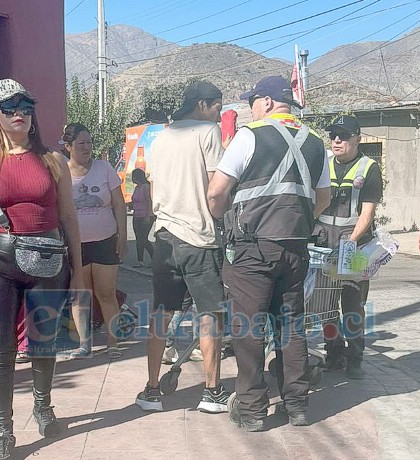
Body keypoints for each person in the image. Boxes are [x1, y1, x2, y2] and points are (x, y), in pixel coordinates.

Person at [0, 79, 83, 460]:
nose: (19, 114)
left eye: (26, 107)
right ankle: (3, 431)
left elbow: (68, 217)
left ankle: (43, 406)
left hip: (48, 258)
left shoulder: (52, 160)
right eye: (10, 108)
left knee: (46, 342)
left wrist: (78, 270)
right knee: (1, 348)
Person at [207, 75, 331, 431]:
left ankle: (252, 410)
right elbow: (322, 198)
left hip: (252, 249)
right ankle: (298, 406)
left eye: (251, 103)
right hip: (295, 249)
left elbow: (217, 192)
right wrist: (299, 221)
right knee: (291, 328)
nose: (250, 109)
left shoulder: (250, 135)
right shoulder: (316, 142)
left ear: (265, 102)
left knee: (249, 330)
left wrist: (223, 217)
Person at [135, 80, 230, 413]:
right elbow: (216, 189)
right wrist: (219, 218)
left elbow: (153, 184)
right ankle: (212, 392)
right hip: (198, 238)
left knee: (161, 312)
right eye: (217, 106)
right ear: (202, 105)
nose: (219, 114)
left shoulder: (160, 137)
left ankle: (150, 390)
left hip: (163, 236)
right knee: (210, 315)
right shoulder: (207, 133)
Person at [314, 114, 383, 380]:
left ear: (357, 139)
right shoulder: (324, 165)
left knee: (353, 304)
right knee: (325, 305)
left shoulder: (369, 168)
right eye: (333, 135)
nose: (336, 140)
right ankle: (333, 353)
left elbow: (367, 213)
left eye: (342, 135)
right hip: (324, 242)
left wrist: (351, 242)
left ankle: (355, 358)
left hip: (354, 244)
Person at [61, 122, 128, 360]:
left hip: (105, 242)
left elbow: (119, 204)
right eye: (81, 143)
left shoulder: (104, 168)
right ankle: (83, 344)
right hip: (74, 246)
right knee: (80, 295)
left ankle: (113, 342)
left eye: (89, 142)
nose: (87, 147)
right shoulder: (61, 172)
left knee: (106, 293)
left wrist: (123, 236)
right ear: (68, 146)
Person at [130, 168, 155, 268]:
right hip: (136, 215)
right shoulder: (137, 188)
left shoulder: (146, 187)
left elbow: (149, 201)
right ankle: (140, 261)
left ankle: (155, 258)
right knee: (138, 239)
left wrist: (148, 216)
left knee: (143, 239)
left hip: (146, 215)